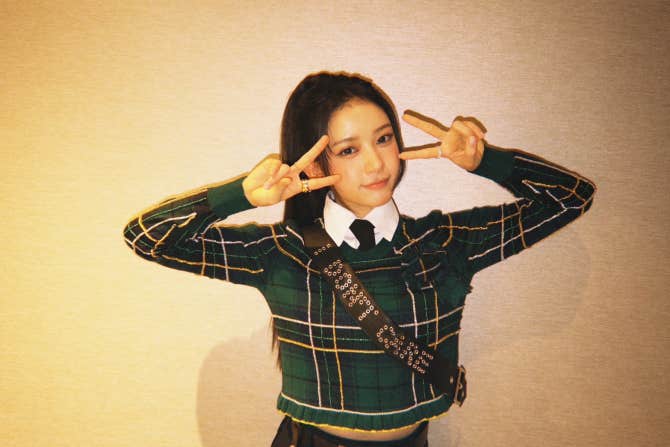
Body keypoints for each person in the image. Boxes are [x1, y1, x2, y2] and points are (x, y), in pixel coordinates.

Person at [123, 71, 595, 446]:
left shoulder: (445, 242)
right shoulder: (280, 252)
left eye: (384, 139)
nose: (375, 163)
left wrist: (485, 161)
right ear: (315, 164)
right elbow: (147, 237)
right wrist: (241, 195)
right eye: (349, 150)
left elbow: (571, 197)